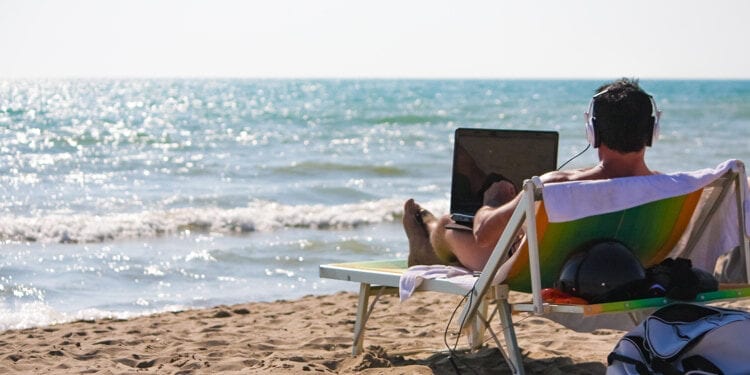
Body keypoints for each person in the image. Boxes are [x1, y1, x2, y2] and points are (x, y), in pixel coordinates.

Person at [403, 78, 660, 271]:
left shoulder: (553, 185)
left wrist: (493, 201)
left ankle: (427, 237)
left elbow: (483, 234)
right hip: (627, 272)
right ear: (651, 131)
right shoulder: (670, 186)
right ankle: (427, 225)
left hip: (540, 273)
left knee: (450, 225)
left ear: (593, 132)